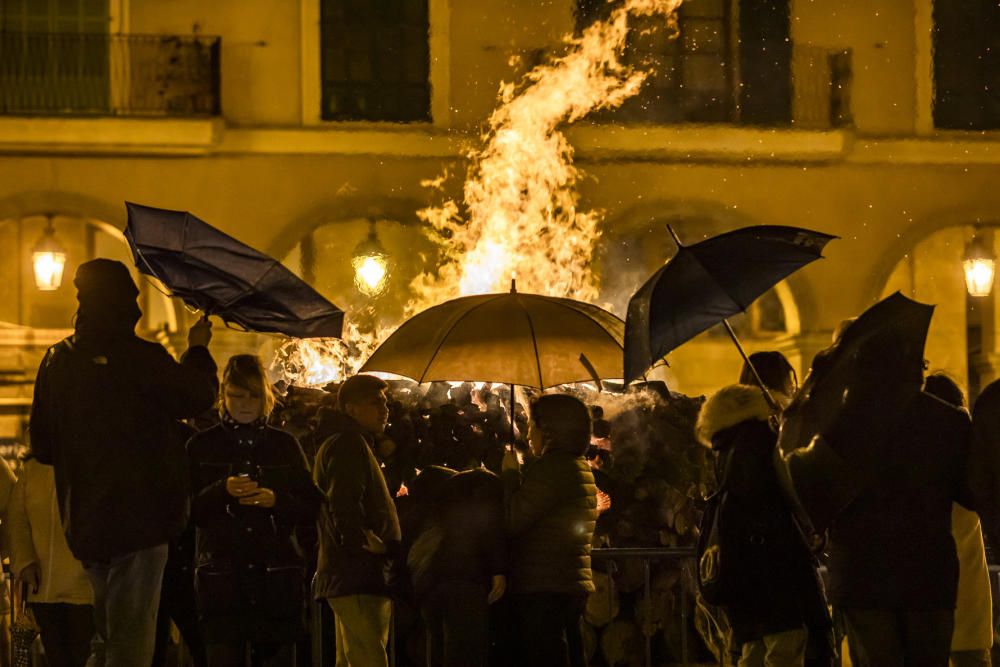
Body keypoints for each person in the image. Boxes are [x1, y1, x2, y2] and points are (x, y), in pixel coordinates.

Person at [29, 258, 218, 666]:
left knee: (106, 629)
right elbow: (197, 396)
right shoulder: (142, 358)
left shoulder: (56, 361)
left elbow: (42, 446)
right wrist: (197, 349)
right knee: (132, 634)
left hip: (85, 519)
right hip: (144, 518)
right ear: (125, 303)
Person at [822, 332, 974, 666]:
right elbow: (970, 492)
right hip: (928, 577)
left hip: (862, 577)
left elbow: (818, 501)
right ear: (914, 369)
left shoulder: (836, 426)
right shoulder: (949, 422)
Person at [695, 351, 833, 667]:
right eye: (792, 380)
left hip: (739, 558)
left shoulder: (726, 436)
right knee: (785, 646)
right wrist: (812, 527)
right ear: (782, 382)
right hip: (776, 557)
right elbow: (788, 489)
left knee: (751, 648)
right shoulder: (767, 433)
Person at [188, 354, 321, 666]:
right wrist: (221, 491)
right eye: (237, 395)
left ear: (266, 397)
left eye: (253, 395)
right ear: (224, 396)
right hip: (222, 580)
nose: (245, 403)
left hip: (275, 579)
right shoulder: (201, 446)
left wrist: (277, 501)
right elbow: (183, 511)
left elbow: (312, 506)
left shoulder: (284, 445)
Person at [501, 393, 597, 667]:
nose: (529, 434)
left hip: (545, 585)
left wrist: (509, 475)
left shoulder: (553, 469)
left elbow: (512, 520)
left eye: (533, 425)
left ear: (551, 430)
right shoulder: (577, 466)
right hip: (567, 581)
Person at [314, 374, 402, 667]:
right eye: (375, 402)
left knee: (352, 660)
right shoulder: (348, 444)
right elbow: (344, 503)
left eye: (385, 402)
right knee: (369, 660)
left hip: (350, 573)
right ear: (351, 409)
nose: (384, 409)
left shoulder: (346, 442)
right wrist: (362, 547)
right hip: (357, 573)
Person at [923, 374, 993, 667]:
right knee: (973, 657)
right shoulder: (970, 450)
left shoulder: (916, 455)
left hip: (924, 590)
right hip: (968, 581)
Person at [407, 466, 507, 667]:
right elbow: (491, 533)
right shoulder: (479, 501)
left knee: (437, 646)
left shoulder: (430, 511)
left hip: (429, 583)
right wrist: (498, 570)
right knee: (466, 648)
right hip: (465, 582)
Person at [5, 453, 93, 667]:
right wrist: (25, 562)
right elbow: (16, 520)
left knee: (80, 654)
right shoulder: (33, 470)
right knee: (61, 655)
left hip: (80, 587)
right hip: (46, 587)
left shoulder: (90, 461)